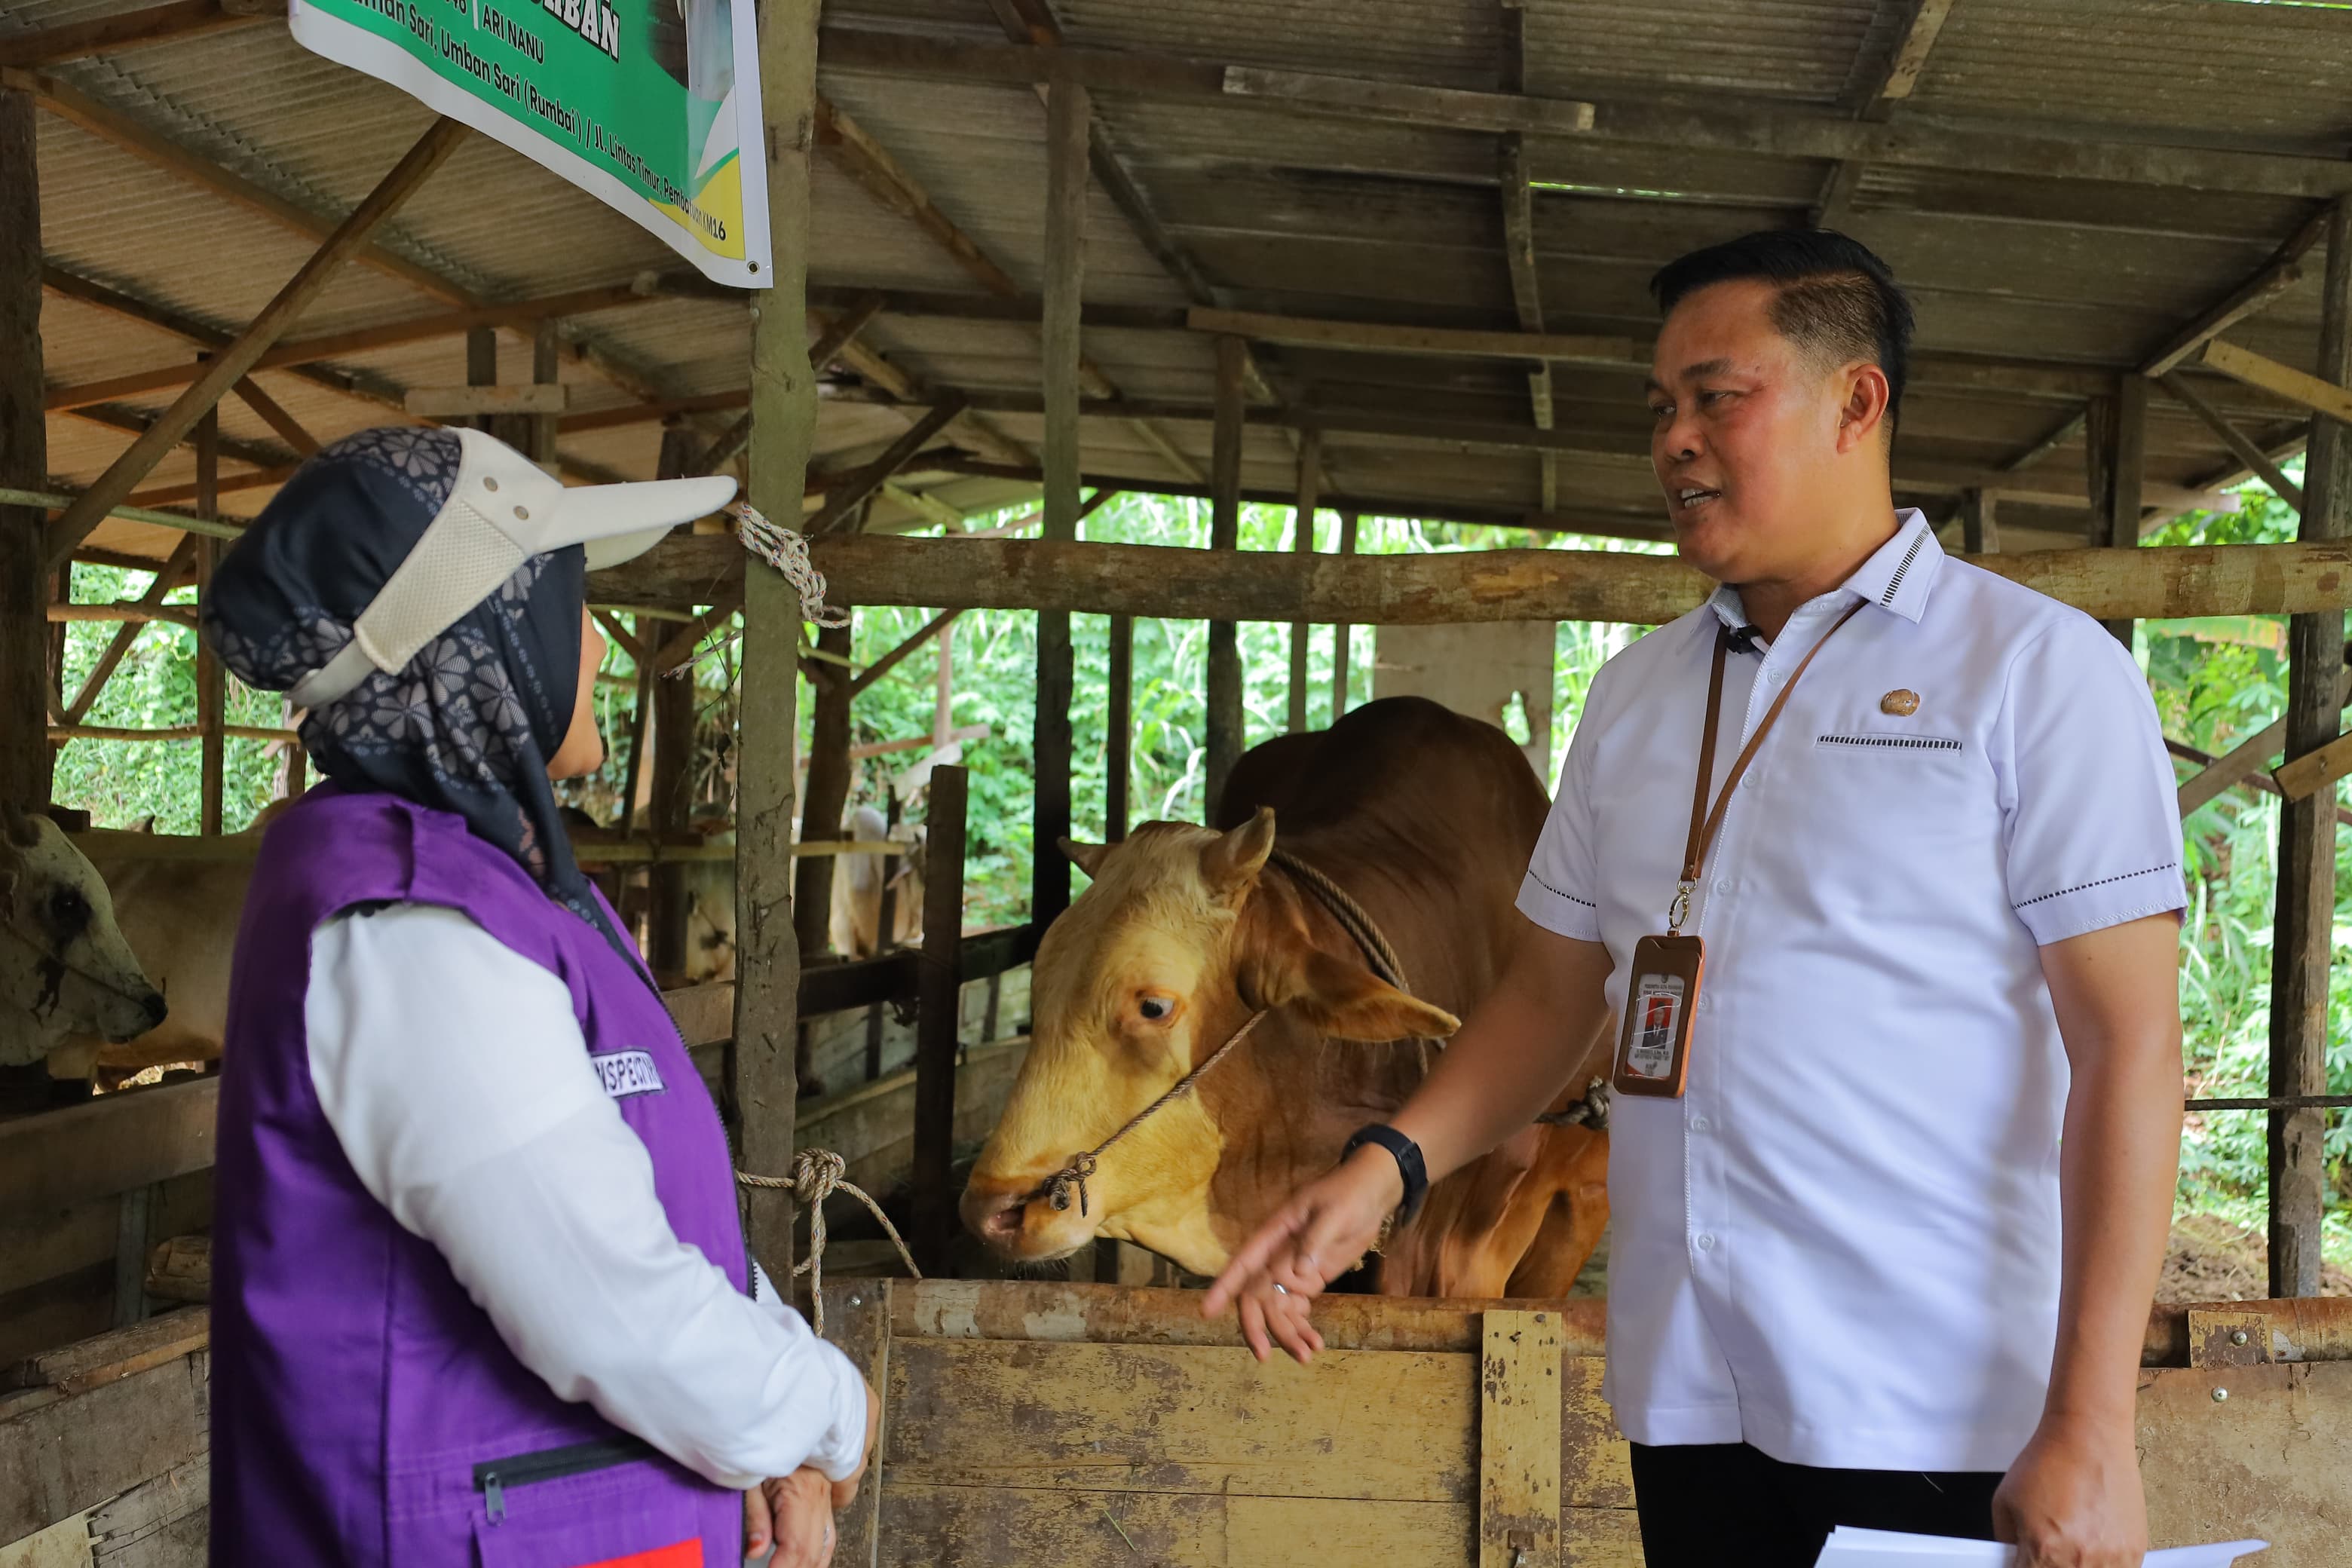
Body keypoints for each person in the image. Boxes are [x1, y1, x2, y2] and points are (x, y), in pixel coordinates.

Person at [1205, 231, 2185, 1568]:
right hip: (1692, 1386)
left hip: (1940, 1405)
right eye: (1661, 408)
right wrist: (1390, 1166)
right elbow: (1557, 988)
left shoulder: (2034, 675)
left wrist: (2095, 1423)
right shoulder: (1642, 693)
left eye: (1718, 397)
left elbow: (2129, 1051)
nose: (1675, 440)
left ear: (1858, 403)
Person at [201, 425, 876, 1567]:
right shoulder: (414, 931)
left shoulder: (501, 887)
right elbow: (613, 1310)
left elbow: (647, 1215)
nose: (597, 647)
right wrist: (822, 1411)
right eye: (566, 602)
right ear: (483, 647)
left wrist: (763, 1422)